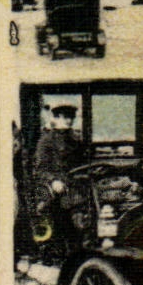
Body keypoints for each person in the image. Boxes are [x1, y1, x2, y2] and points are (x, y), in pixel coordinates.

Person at [31, 103, 89, 247]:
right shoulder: (46, 140)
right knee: (63, 228)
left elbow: (84, 163)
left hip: (78, 188)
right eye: (65, 117)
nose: (69, 120)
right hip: (58, 191)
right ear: (55, 118)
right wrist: (53, 181)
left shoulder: (76, 140)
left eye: (71, 117)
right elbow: (40, 169)